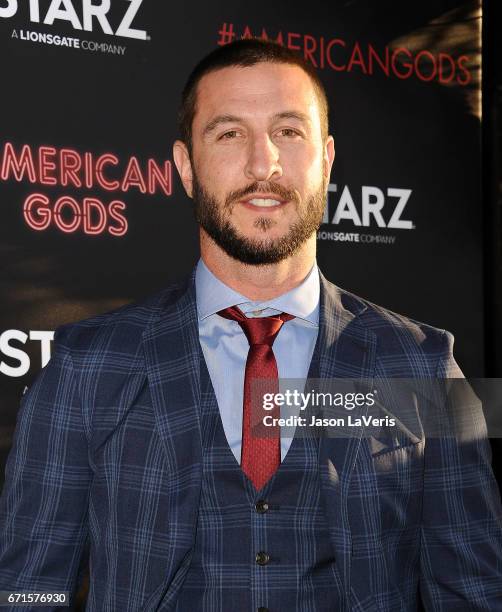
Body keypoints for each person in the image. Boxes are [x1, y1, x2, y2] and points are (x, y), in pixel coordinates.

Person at [0, 39, 501, 612]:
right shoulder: (86, 364)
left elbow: (474, 594)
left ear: (328, 159)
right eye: (229, 133)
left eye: (289, 131)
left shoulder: (425, 365)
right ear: (186, 167)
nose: (264, 166)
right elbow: (26, 592)